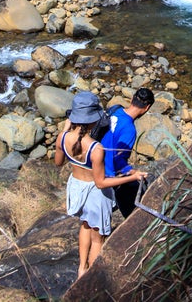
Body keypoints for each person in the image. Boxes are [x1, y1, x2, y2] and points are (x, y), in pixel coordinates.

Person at [54, 91, 147, 278]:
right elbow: (101, 182)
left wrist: (65, 129)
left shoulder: (62, 137)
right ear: (93, 120)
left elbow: (58, 163)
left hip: (76, 186)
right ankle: (90, 278)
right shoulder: (96, 149)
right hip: (96, 194)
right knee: (98, 238)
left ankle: (81, 268)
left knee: (85, 225)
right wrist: (133, 177)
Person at [101, 87, 155, 218]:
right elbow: (118, 160)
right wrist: (133, 172)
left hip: (95, 162)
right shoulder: (129, 130)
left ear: (131, 99)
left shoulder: (115, 110)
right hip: (107, 172)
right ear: (147, 107)